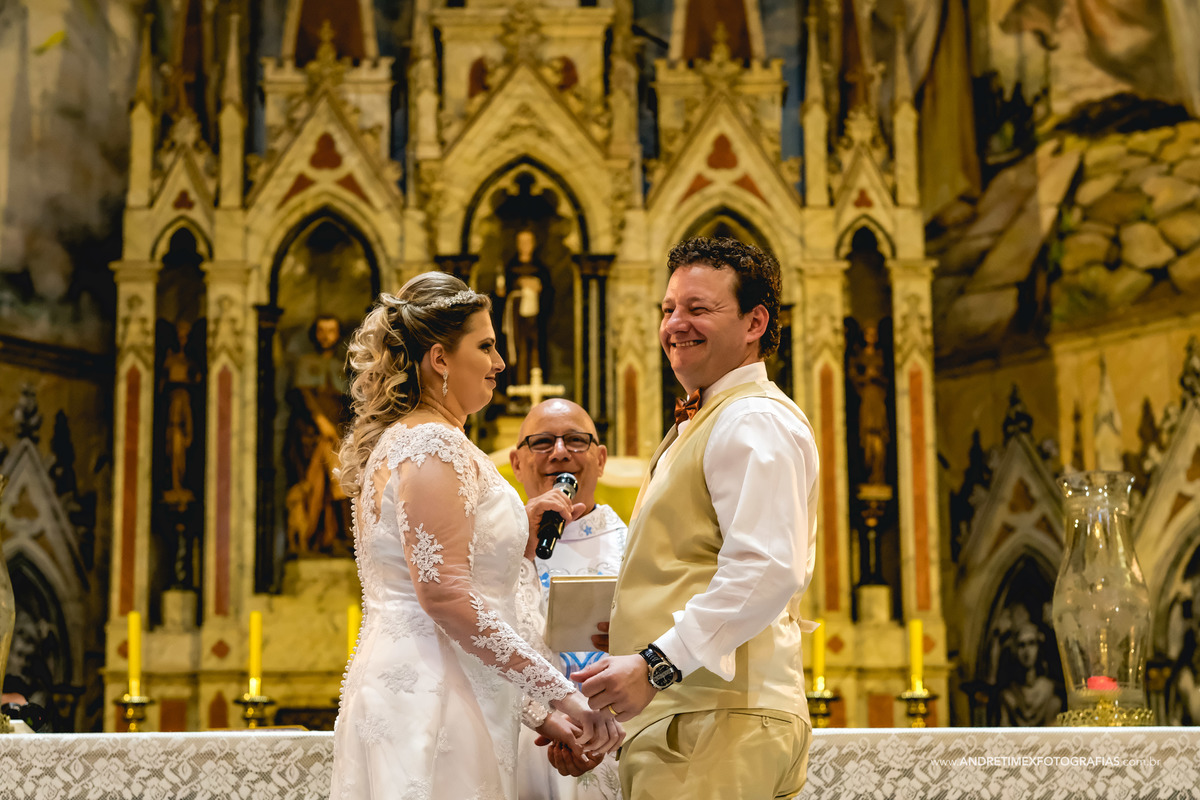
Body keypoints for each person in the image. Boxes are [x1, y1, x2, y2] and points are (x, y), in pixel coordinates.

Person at [330, 273, 622, 800]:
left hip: (436, 680)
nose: (499, 363)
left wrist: (537, 715)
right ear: (440, 359)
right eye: (485, 345)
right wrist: (561, 696)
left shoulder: (423, 442)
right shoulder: (431, 445)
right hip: (432, 695)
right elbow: (445, 598)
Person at [573, 237, 820, 800]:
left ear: (755, 321)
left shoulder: (751, 420)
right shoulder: (716, 418)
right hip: (699, 720)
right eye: (668, 309)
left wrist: (656, 664)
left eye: (699, 309)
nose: (675, 325)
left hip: (715, 723)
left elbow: (764, 570)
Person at [510, 399, 626, 800]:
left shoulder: (637, 548)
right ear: (517, 462)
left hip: (617, 737)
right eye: (542, 442)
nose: (560, 452)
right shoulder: (490, 551)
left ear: (601, 457)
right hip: (520, 739)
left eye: (575, 440)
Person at [285, 314, 352, 555]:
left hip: (337, 433)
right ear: (314, 334)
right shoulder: (305, 363)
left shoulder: (341, 367)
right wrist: (320, 421)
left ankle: (335, 538)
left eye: (331, 331)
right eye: (321, 331)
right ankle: (312, 538)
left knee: (337, 483)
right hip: (311, 434)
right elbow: (304, 397)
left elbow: (346, 402)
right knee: (315, 485)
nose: (326, 337)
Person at [998, 621, 1063, 727]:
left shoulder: (1049, 691)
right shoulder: (1008, 696)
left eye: (1031, 643)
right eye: (1022, 645)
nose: (1027, 652)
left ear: (1038, 647)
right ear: (1015, 650)